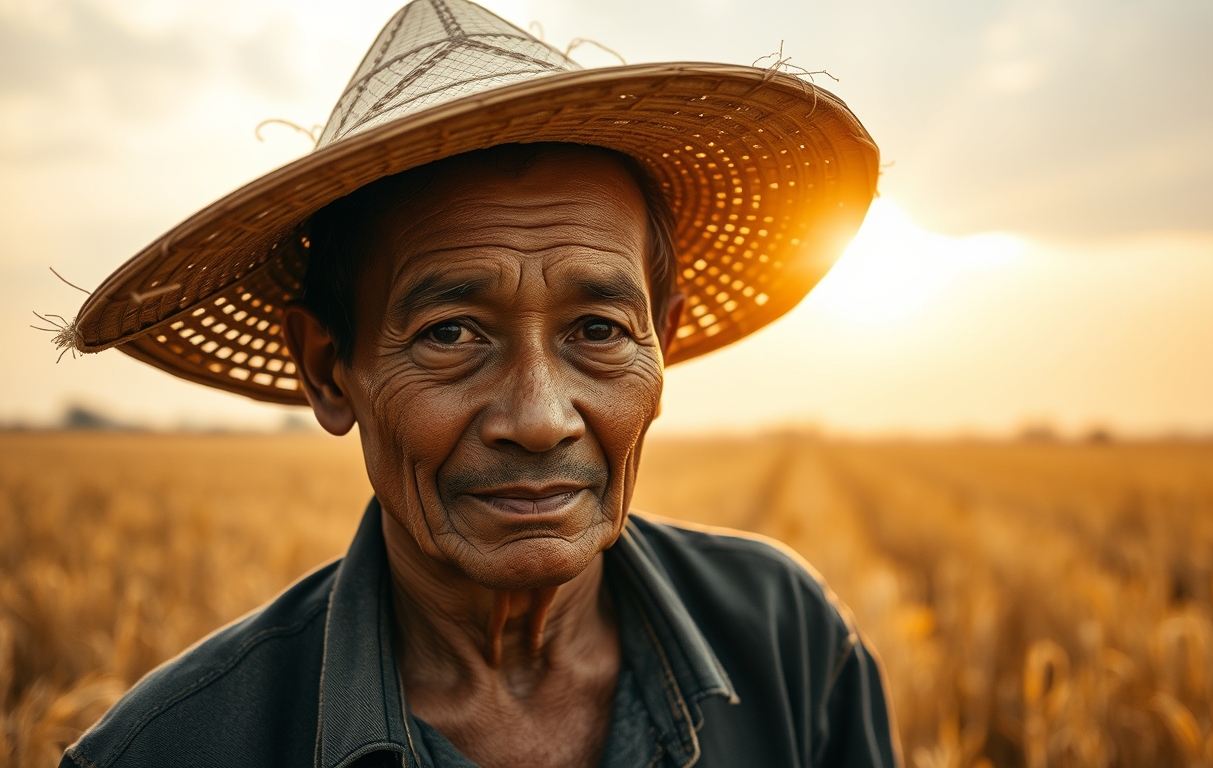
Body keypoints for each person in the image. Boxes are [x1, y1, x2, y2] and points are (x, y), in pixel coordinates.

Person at [59, 1, 893, 765]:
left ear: (660, 343)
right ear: (329, 370)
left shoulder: (791, 640)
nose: (538, 419)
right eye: (451, 334)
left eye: (597, 331)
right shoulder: (172, 750)